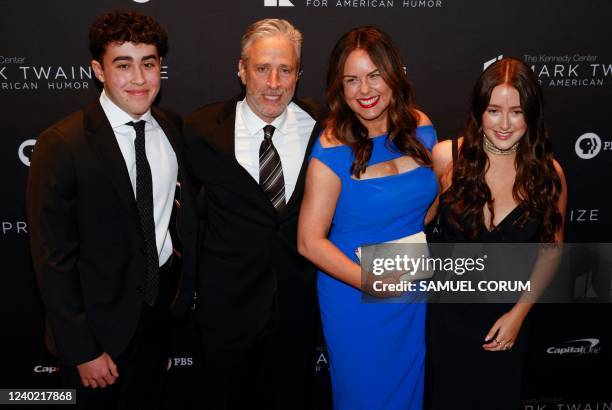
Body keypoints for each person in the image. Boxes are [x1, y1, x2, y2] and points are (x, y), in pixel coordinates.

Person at [27, 10, 196, 409]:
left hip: (156, 324)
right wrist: (81, 348)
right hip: (95, 335)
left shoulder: (172, 128)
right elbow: (52, 258)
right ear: (98, 71)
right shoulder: (63, 144)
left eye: (149, 64)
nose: (139, 79)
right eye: (123, 65)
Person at [183, 18, 322, 410]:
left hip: (299, 313)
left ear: (299, 74)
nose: (274, 83)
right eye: (262, 69)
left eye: (285, 70)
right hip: (226, 313)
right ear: (241, 69)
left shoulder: (325, 128)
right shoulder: (200, 130)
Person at [297, 26, 437, 409]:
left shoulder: (421, 127)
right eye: (352, 80)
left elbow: (427, 205)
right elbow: (308, 241)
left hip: (409, 288)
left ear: (394, 75)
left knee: (408, 389)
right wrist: (371, 279)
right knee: (365, 394)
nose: (364, 90)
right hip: (354, 294)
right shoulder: (332, 147)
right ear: (339, 88)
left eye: (374, 75)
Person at [426, 57, 567, 410]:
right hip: (443, 325)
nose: (504, 124)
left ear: (531, 114)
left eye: (516, 112)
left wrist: (519, 315)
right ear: (479, 111)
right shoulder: (448, 158)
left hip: (506, 326)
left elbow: (552, 252)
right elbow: (416, 228)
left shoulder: (549, 175)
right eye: (493, 110)